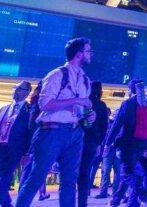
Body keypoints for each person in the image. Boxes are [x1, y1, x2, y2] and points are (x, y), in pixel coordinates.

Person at [16, 37, 96, 207]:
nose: (91, 54)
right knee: (37, 177)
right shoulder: (57, 75)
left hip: (75, 133)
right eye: (89, 51)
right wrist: (76, 100)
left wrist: (89, 116)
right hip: (51, 131)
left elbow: (81, 110)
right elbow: (45, 104)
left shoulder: (85, 80)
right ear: (79, 54)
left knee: (69, 182)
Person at [105, 79, 147, 207]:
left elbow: (117, 125)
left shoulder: (127, 104)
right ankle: (115, 201)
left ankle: (146, 197)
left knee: (126, 173)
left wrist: (108, 143)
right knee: (128, 172)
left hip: (127, 145)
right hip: (142, 145)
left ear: (130, 90)